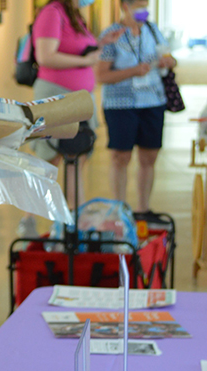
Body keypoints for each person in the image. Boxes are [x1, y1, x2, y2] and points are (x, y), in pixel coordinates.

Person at [30, 0, 124, 211]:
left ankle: (77, 216)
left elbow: (76, 48)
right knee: (49, 160)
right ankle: (30, 219)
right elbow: (45, 56)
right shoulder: (52, 13)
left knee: (78, 156)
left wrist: (100, 44)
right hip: (56, 96)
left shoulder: (73, 14)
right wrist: (85, 62)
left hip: (79, 99)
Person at [96, 0, 177, 214]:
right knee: (121, 156)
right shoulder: (111, 34)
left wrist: (168, 62)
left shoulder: (152, 29)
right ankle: (120, 208)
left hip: (153, 101)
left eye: (146, 6)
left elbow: (169, 57)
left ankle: (143, 208)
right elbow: (101, 75)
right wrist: (133, 71)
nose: (144, 11)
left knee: (149, 155)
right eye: (139, 6)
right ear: (125, 6)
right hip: (120, 104)